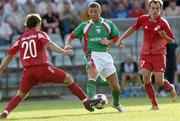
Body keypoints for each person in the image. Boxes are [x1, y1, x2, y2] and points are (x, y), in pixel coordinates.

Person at [0, 13, 102, 119]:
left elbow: (9, 56)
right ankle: (86, 101)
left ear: (27, 25)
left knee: (20, 95)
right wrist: (63, 51)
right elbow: (49, 44)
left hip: (28, 72)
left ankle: (6, 112)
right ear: (38, 24)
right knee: (68, 79)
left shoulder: (20, 39)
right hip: (43, 68)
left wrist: (1, 68)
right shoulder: (39, 34)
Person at [64, 2, 125, 112]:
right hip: (91, 55)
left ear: (100, 11)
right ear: (88, 12)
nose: (93, 14)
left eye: (95, 11)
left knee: (116, 87)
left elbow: (116, 38)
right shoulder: (85, 25)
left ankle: (116, 104)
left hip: (105, 56)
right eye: (91, 12)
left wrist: (108, 41)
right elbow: (71, 36)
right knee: (92, 76)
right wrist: (67, 44)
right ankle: (90, 101)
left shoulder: (108, 24)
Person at [117, 0, 177, 110]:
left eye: (157, 8)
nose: (155, 10)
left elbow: (172, 41)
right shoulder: (143, 19)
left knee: (159, 82)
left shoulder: (163, 23)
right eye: (153, 8)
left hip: (159, 54)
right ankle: (154, 104)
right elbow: (133, 28)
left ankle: (170, 87)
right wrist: (121, 38)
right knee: (146, 79)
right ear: (149, 9)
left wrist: (165, 36)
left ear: (160, 9)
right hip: (145, 54)